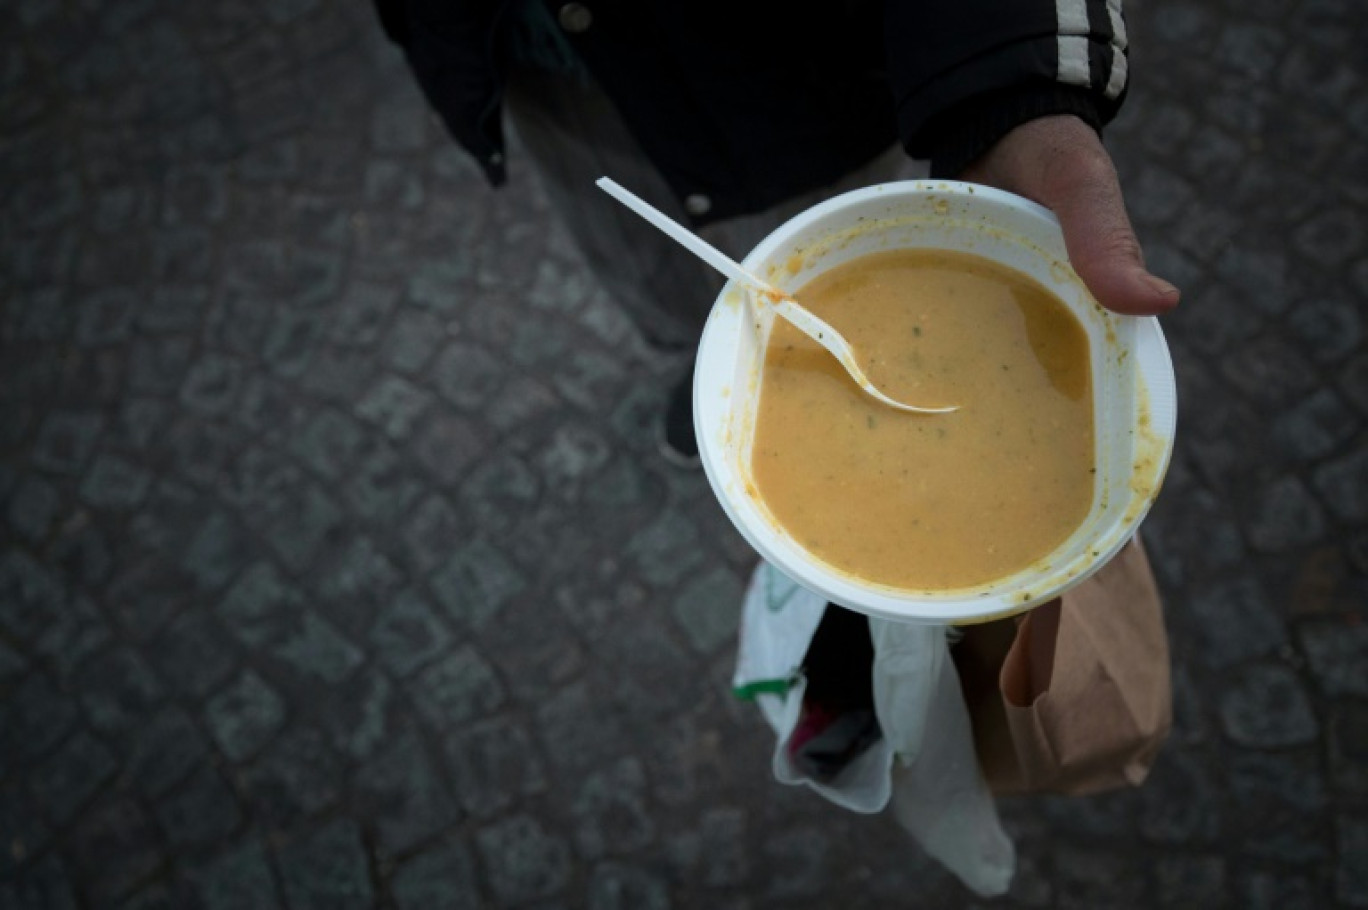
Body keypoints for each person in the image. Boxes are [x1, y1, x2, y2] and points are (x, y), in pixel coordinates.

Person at [373, 1, 1180, 457]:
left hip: (796, 78)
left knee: (864, 262)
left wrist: (1012, 86)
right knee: (651, 259)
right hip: (525, 54)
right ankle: (700, 365)